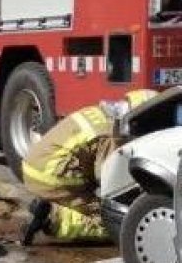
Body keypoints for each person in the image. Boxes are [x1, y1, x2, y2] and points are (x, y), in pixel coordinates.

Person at [22, 89, 159, 245]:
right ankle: (52, 218)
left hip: (34, 167)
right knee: (116, 220)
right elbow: (109, 183)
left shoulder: (99, 113)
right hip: (49, 179)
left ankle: (51, 205)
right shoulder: (112, 134)